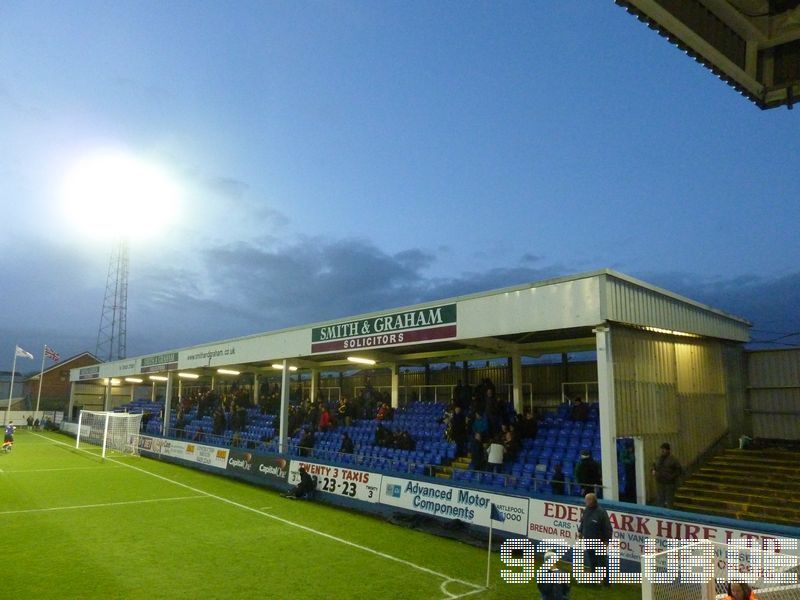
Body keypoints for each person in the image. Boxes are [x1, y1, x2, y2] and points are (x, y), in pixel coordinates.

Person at [577, 492, 613, 585]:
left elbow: (607, 528)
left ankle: (606, 581)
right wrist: (580, 532)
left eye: (588, 500)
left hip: (599, 541)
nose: (586, 501)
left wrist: (606, 541)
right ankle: (594, 579)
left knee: (602, 562)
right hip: (588, 540)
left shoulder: (601, 512)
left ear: (593, 501)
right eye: (586, 499)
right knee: (592, 561)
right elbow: (583, 522)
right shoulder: (586, 510)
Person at [651, 442, 682, 508]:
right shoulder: (657, 458)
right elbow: (653, 466)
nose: (662, 450)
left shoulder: (673, 459)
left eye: (664, 449)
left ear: (668, 450)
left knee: (669, 501)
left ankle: (669, 515)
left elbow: (679, 470)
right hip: (659, 482)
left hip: (669, 484)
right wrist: (653, 470)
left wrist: (672, 477)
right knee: (660, 500)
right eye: (661, 449)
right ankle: (660, 514)